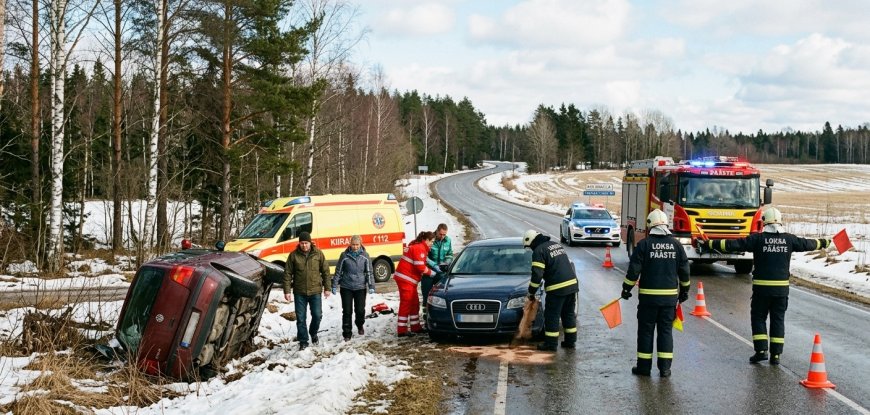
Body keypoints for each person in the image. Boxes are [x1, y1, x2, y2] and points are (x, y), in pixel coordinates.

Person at [702, 206, 830, 365]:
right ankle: (776, 355)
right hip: (781, 291)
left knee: (758, 317)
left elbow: (733, 244)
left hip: (761, 290)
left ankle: (761, 351)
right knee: (778, 319)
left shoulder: (757, 239)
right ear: (780, 222)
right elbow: (808, 244)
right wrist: (825, 242)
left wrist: (710, 243)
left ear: (764, 222)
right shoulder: (789, 240)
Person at [621, 209, 690, 377]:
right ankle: (665, 369)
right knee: (665, 332)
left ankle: (644, 368)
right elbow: (684, 271)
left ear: (650, 225)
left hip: (648, 300)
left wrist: (626, 289)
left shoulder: (644, 245)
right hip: (669, 301)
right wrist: (684, 291)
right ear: (666, 224)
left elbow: (634, 271)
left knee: (646, 332)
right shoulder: (677, 245)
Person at [523, 229, 579, 351]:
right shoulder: (555, 245)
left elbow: (537, 275)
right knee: (568, 314)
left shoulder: (538, 251)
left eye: (529, 246)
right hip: (572, 285)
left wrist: (531, 292)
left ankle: (551, 344)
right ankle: (570, 341)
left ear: (531, 242)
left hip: (557, 288)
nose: (530, 249)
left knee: (552, 316)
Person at [283, 231, 331, 350]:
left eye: (306, 243)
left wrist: (327, 288)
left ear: (310, 243)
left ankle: (313, 333)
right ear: (299, 243)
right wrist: (287, 291)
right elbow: (287, 273)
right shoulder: (293, 255)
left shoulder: (318, 254)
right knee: (301, 318)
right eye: (302, 243)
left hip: (315, 291)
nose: (304, 245)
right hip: (299, 292)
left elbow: (325, 271)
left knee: (317, 315)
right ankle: (303, 341)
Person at [332, 235, 375, 341]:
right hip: (346, 287)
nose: (355, 247)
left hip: (360, 287)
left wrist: (371, 286)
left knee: (360, 310)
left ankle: (360, 324)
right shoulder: (344, 256)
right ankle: (347, 333)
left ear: (360, 244)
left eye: (357, 245)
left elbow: (369, 272)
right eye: (353, 245)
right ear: (350, 244)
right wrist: (334, 285)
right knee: (347, 311)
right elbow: (338, 271)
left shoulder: (365, 256)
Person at [394, 231, 436, 336]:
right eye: (432, 241)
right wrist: (431, 272)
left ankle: (415, 326)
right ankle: (402, 330)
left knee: (414, 303)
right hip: (406, 279)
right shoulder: (419, 248)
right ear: (426, 240)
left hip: (407, 279)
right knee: (406, 303)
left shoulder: (418, 246)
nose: (432, 244)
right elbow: (420, 266)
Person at [422, 224, 454, 317]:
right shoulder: (430, 239)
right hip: (428, 271)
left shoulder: (448, 240)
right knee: (426, 294)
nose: (442, 236)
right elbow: (424, 256)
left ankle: (439, 315)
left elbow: (450, 254)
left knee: (440, 295)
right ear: (437, 231)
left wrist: (447, 261)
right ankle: (426, 315)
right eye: (441, 234)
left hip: (441, 272)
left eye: (444, 234)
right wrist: (434, 265)